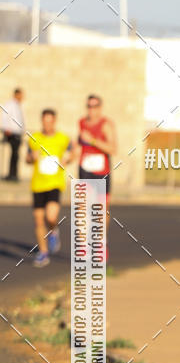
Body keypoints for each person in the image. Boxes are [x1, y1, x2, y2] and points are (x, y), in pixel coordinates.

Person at [26, 109, 73, 267]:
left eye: (50, 121)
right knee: (39, 220)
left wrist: (68, 158)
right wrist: (31, 158)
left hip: (55, 183)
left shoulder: (63, 139)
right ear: (42, 121)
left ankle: (54, 231)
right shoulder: (34, 138)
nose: (47, 124)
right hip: (38, 184)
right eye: (44, 121)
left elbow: (72, 152)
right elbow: (27, 158)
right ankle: (43, 253)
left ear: (54, 121)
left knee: (51, 217)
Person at [76, 94, 117, 252]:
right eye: (89, 106)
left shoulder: (106, 125)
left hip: (102, 171)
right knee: (82, 208)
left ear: (100, 108)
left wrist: (93, 140)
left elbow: (113, 149)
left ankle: (101, 242)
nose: (91, 110)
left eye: (94, 106)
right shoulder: (81, 122)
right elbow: (79, 144)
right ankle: (84, 244)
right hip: (85, 169)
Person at [2, 87, 25, 181]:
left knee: (16, 154)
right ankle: (11, 175)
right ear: (16, 94)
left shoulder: (19, 105)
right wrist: (6, 128)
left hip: (17, 133)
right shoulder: (10, 104)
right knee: (14, 154)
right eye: (20, 95)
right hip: (11, 132)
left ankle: (14, 174)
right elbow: (4, 116)